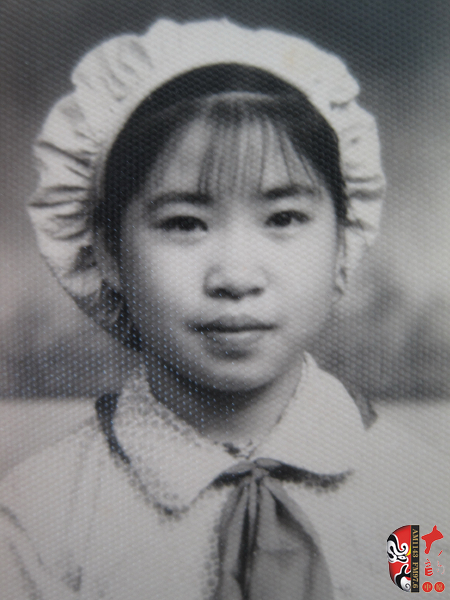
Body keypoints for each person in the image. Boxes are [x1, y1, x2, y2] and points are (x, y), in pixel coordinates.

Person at [0, 18, 447, 600]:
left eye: (283, 218)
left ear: (343, 240)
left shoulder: (413, 502)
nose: (235, 277)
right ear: (108, 251)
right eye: (185, 223)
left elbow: (420, 589)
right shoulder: (43, 521)